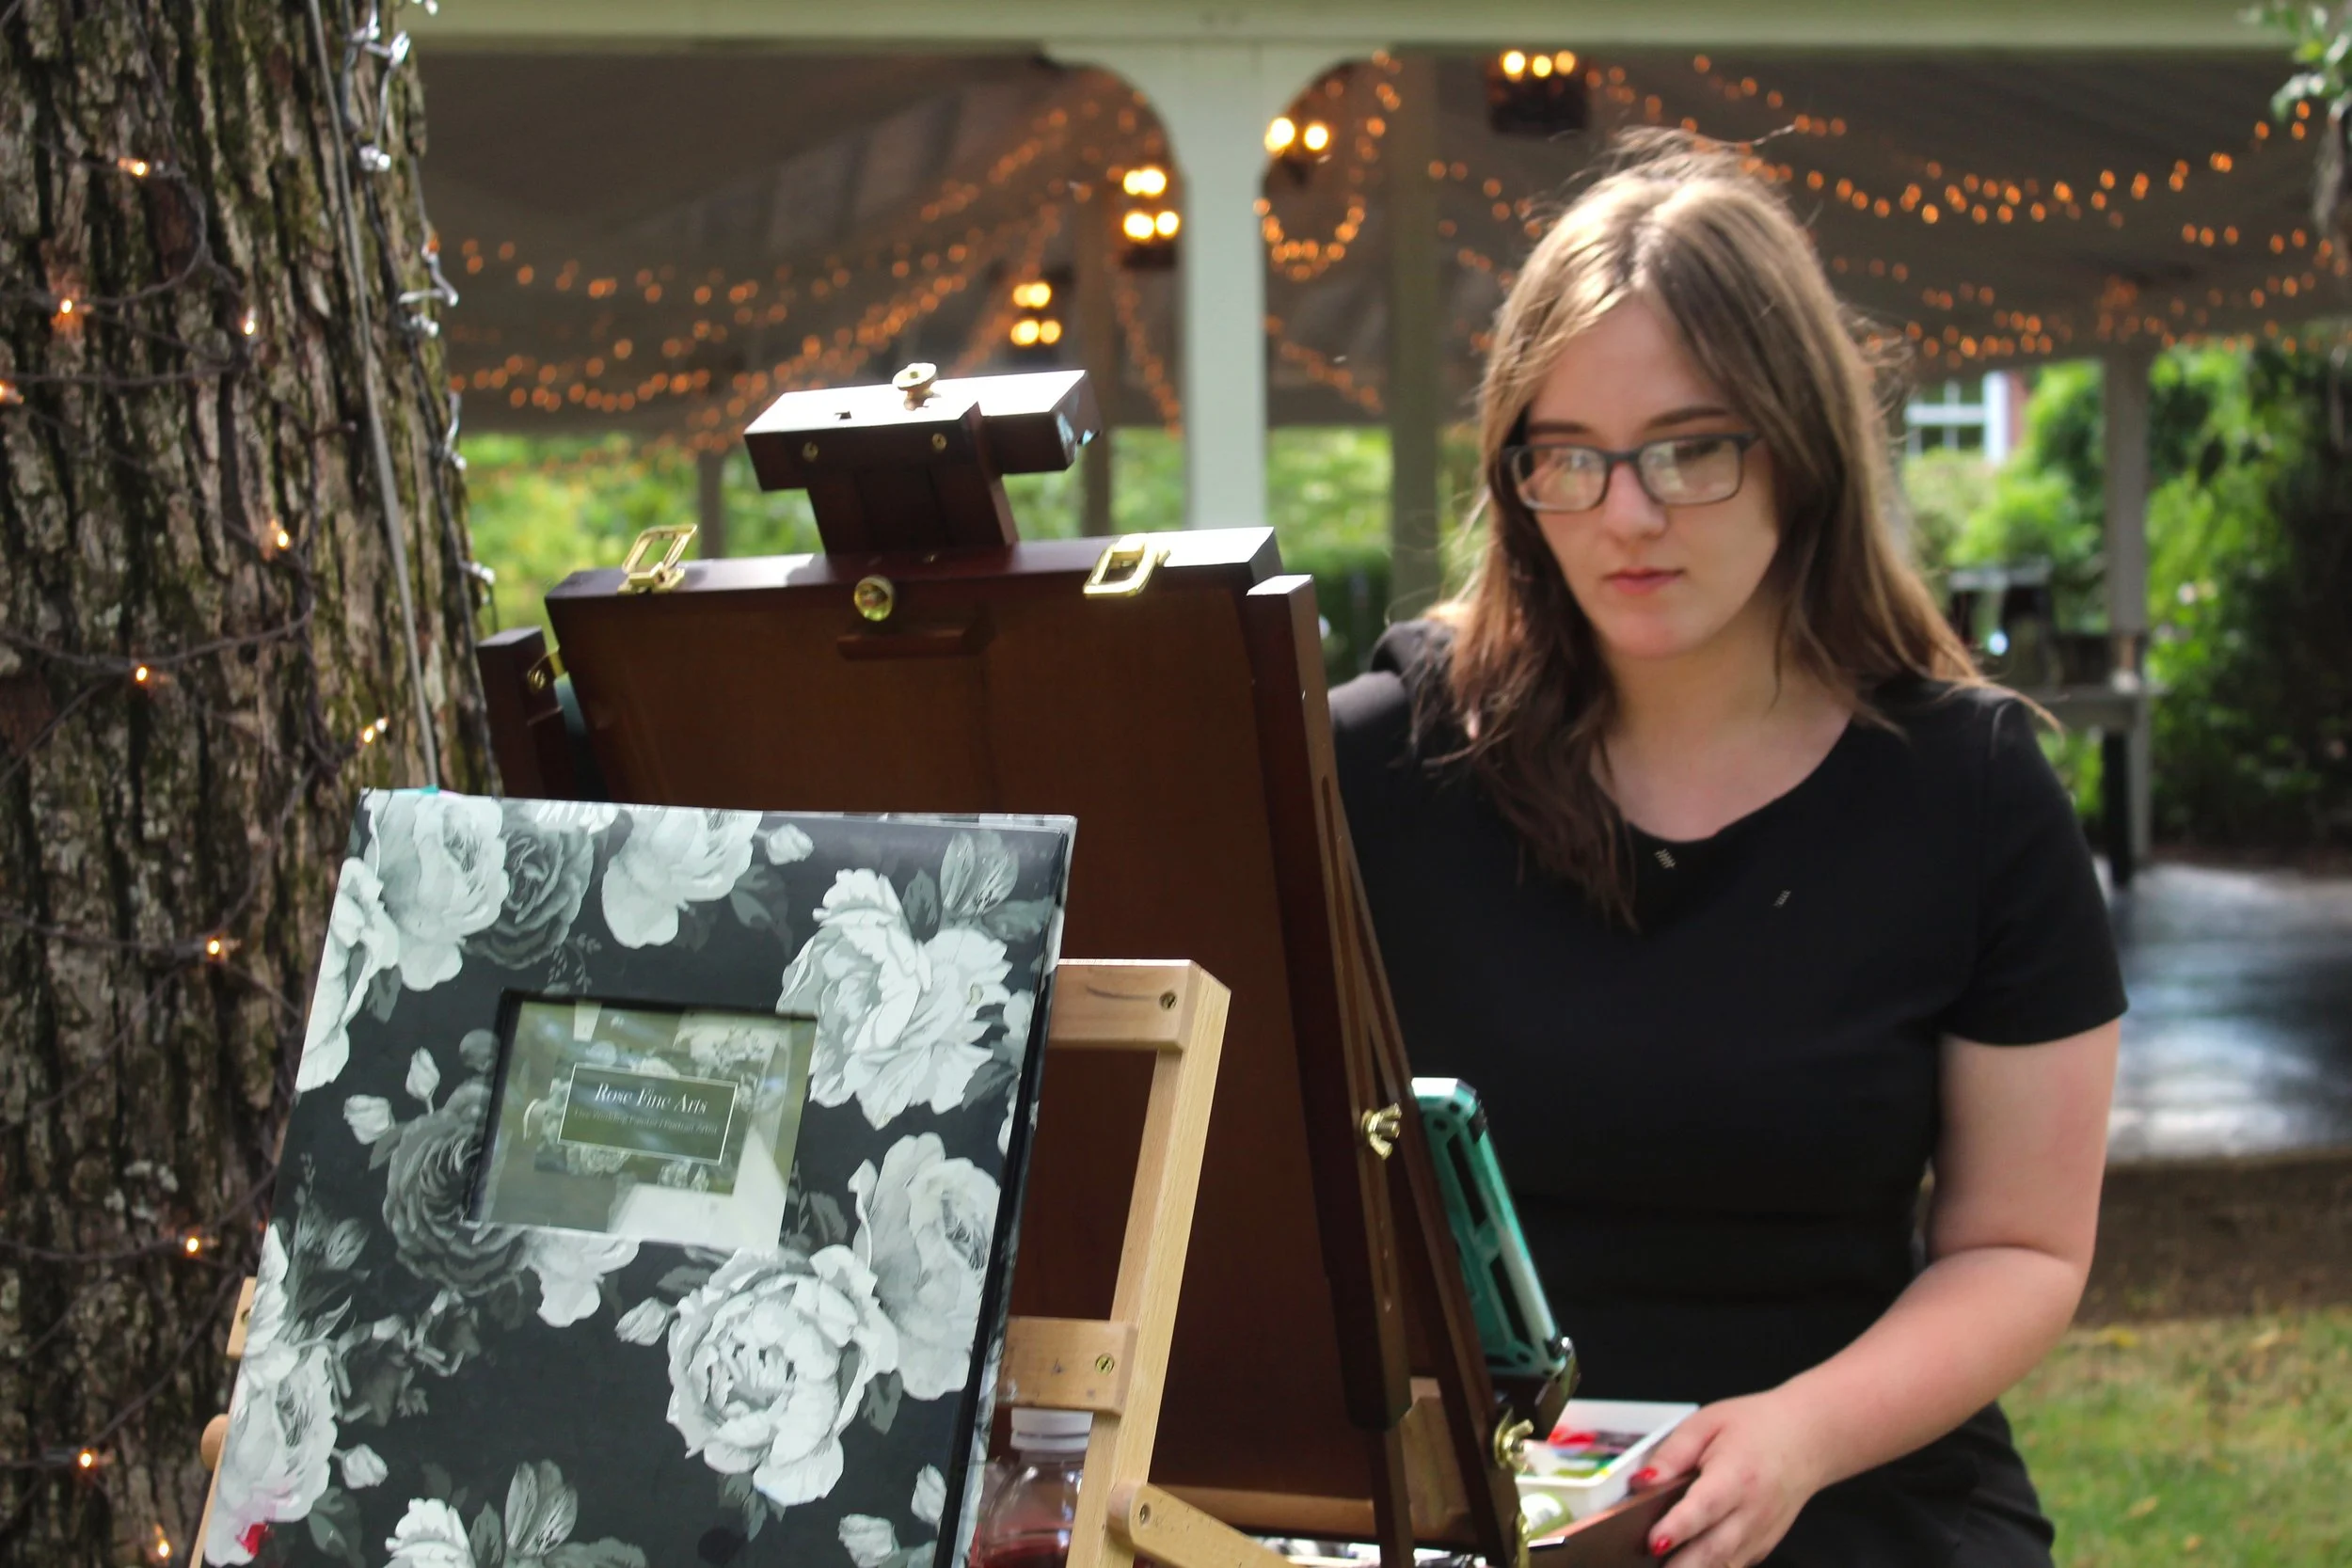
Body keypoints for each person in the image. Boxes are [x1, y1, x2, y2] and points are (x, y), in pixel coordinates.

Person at [1330, 134, 2125, 1568]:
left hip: (1851, 1492)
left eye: (1690, 450)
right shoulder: (1385, 767)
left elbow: (2023, 1250)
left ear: (1801, 448)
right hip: (1479, 1516)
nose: (1625, 513)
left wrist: (1799, 1432)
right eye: (1569, 457)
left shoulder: (1972, 789)